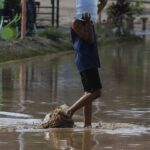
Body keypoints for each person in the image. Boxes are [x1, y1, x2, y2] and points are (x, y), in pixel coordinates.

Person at [66, 12, 102, 127]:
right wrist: (87, 23)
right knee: (96, 92)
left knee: (88, 93)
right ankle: (69, 111)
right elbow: (90, 39)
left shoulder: (88, 20)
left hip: (89, 59)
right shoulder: (76, 22)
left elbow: (101, 5)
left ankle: (87, 125)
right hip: (85, 60)